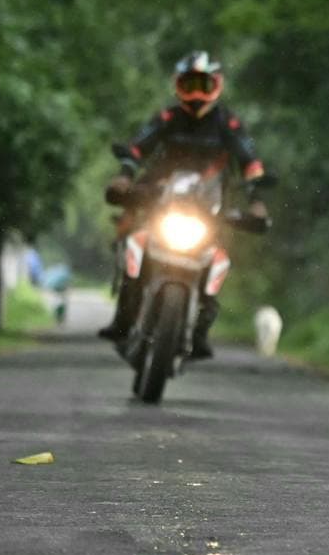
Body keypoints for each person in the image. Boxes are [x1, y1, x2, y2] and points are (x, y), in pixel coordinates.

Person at [100, 51, 274, 358]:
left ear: (216, 85)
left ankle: (200, 328)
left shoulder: (228, 124)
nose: (196, 92)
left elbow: (251, 164)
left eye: (203, 84)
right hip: (162, 201)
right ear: (178, 85)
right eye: (189, 83)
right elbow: (137, 148)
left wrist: (257, 202)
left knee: (215, 258)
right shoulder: (168, 118)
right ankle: (125, 318)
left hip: (208, 208)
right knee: (134, 243)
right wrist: (125, 177)